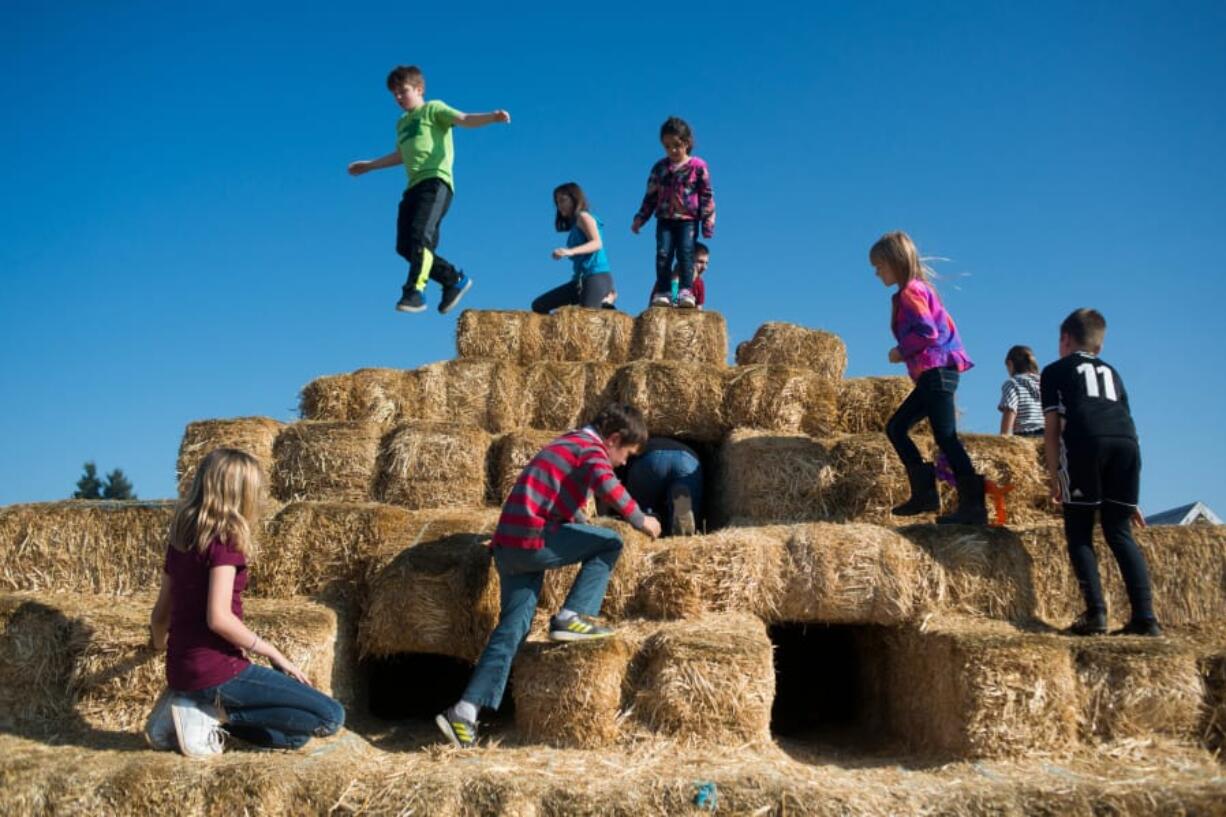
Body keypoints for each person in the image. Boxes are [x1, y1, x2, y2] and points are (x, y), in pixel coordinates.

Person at [435, 404, 662, 749]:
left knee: (514, 627)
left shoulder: (566, 444)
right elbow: (607, 484)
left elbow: (551, 489)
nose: (625, 462)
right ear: (613, 439)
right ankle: (572, 617)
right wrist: (640, 519)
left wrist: (575, 516)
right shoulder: (591, 449)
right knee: (610, 543)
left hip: (509, 546)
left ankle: (464, 711)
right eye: (627, 453)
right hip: (531, 539)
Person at [144, 449, 345, 758]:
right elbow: (219, 619)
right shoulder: (225, 542)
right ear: (241, 493)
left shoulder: (180, 541)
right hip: (217, 670)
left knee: (293, 738)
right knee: (331, 716)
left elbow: (160, 615)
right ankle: (212, 714)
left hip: (182, 672)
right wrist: (274, 652)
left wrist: (158, 648)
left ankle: (189, 714)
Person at [348, 65, 510, 314]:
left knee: (420, 235)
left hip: (436, 182)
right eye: (395, 95)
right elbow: (401, 154)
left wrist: (492, 117)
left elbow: (464, 119)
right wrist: (370, 166)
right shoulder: (402, 123)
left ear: (419, 89)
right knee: (404, 246)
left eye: (403, 91)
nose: (399, 98)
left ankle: (414, 291)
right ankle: (452, 279)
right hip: (412, 187)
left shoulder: (433, 109)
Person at [1041, 309, 1160, 637]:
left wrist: (1055, 478)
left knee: (1079, 529)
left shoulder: (1054, 371)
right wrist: (1131, 498)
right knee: (1119, 531)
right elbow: (1125, 422)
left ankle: (1096, 615)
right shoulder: (1114, 373)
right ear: (1099, 346)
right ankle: (1146, 618)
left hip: (1086, 443)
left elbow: (1052, 431)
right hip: (1127, 445)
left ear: (1065, 339)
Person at [871, 231, 986, 525]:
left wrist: (900, 351)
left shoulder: (911, 292)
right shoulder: (918, 290)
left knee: (946, 438)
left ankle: (973, 506)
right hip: (934, 375)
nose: (876, 272)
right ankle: (925, 495)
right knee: (898, 427)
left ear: (895, 262)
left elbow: (927, 332)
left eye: (879, 265)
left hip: (937, 373)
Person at [632, 117, 715, 309]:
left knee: (686, 253)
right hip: (665, 219)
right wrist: (640, 218)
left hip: (688, 219)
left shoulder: (698, 167)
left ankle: (686, 290)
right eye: (667, 146)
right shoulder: (660, 168)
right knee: (663, 254)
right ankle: (664, 291)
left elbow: (706, 195)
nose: (672, 150)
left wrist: (707, 223)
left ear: (687, 143)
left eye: (676, 145)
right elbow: (650, 196)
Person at [531, 183, 616, 314]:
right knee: (538, 305)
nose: (559, 206)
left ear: (574, 198)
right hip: (579, 281)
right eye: (557, 203)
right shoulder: (574, 227)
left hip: (597, 276)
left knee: (587, 319)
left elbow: (597, 243)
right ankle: (604, 302)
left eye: (562, 200)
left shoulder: (584, 217)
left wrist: (570, 251)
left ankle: (606, 301)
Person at [624, 437, 703, 536]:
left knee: (641, 510)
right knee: (687, 505)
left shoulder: (639, 440)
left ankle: (648, 520)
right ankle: (679, 530)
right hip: (688, 460)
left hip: (649, 456)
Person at [641, 242, 711, 311]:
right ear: (688, 260)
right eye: (700, 262)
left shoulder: (699, 283)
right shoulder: (665, 281)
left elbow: (699, 309)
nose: (704, 267)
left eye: (706, 263)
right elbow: (651, 308)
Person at [998, 345, 1044, 437]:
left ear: (1010, 364)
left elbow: (1010, 410)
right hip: (1049, 437)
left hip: (1027, 436)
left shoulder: (1013, 383)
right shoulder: (1045, 382)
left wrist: (1003, 439)